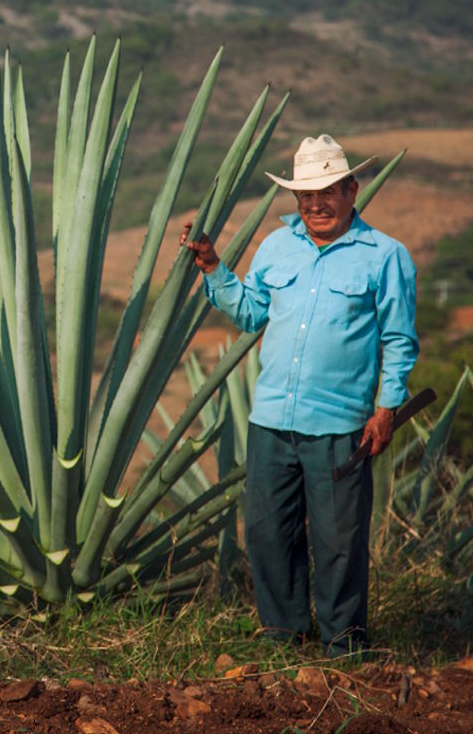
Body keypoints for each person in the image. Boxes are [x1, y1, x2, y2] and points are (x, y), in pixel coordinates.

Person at [179, 134, 418, 656]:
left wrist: (386, 408)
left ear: (352, 189)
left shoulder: (385, 257)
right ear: (295, 199)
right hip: (271, 421)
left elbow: (399, 339)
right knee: (267, 535)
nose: (316, 205)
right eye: (305, 195)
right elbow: (251, 313)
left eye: (327, 192)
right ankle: (282, 639)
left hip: (340, 427)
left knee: (338, 543)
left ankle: (344, 646)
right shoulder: (276, 246)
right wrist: (214, 269)